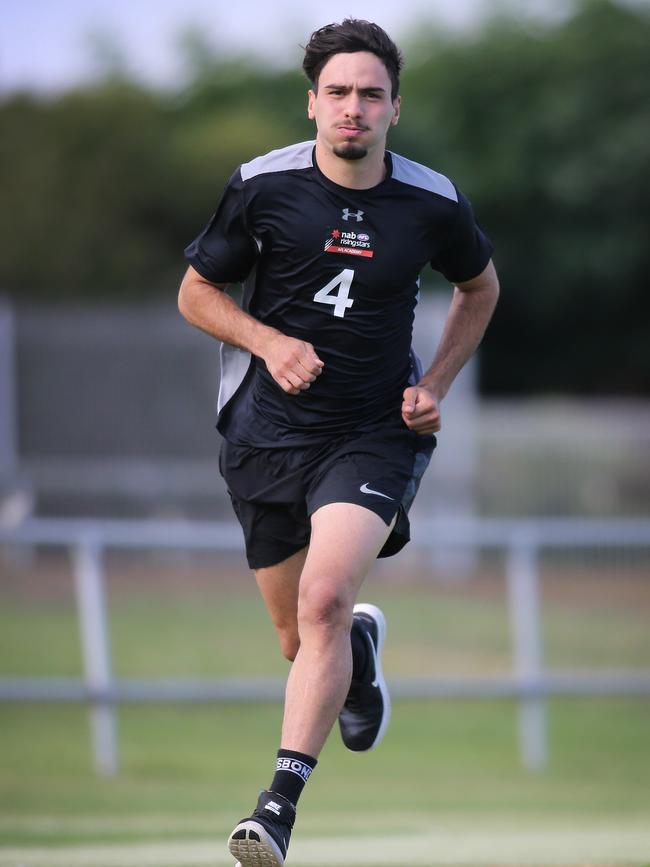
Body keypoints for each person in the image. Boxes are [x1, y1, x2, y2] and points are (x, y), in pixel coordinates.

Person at [178, 18, 499, 867]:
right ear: (311, 102)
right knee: (300, 637)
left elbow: (480, 286)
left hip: (372, 432)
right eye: (338, 93)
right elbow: (197, 292)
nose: (353, 108)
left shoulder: (433, 201)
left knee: (322, 598)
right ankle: (356, 648)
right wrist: (268, 342)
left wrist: (432, 385)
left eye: (371, 94)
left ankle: (275, 808)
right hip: (264, 437)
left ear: (396, 107)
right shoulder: (260, 186)